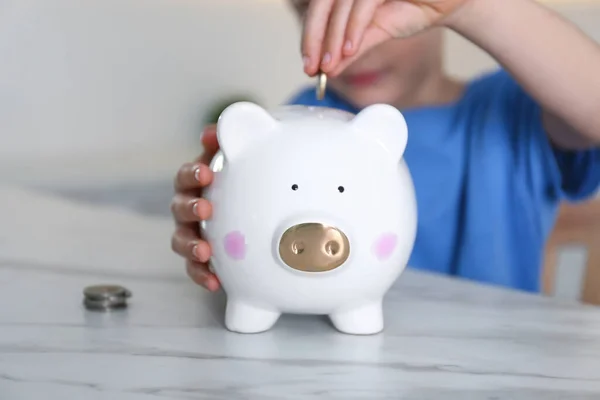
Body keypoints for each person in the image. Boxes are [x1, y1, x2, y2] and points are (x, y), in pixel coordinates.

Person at [170, 0, 600, 294]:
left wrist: (472, 7)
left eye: (379, 8)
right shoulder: (302, 121)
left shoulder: (510, 114)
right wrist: (225, 238)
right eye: (316, 11)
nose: (353, 47)